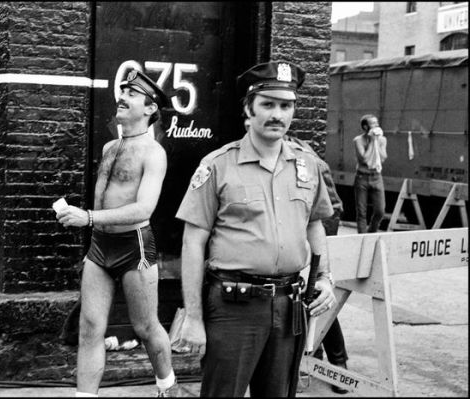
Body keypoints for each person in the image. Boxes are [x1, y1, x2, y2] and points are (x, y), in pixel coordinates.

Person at [175, 61, 337, 397]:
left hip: (289, 305)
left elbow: (316, 225)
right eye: (268, 104)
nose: (277, 114)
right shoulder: (218, 165)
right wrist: (193, 317)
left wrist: (324, 277)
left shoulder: (307, 166)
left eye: (286, 105)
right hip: (234, 308)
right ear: (248, 110)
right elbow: (193, 244)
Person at [56, 70, 177, 397]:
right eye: (123, 92)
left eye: (132, 95)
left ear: (150, 108)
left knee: (146, 327)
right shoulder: (111, 146)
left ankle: (168, 387)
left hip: (133, 246)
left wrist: (88, 217)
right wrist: (87, 219)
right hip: (99, 247)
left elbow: (143, 210)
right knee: (90, 328)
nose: (122, 98)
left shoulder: (154, 153)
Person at [286, 136, 350, 394]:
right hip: (288, 244)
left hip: (305, 244)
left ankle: (338, 364)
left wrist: (318, 257)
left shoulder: (303, 157)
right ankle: (323, 361)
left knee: (314, 300)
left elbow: (330, 209)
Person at [353, 114, 387, 233]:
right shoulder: (358, 140)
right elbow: (364, 159)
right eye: (373, 123)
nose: (376, 126)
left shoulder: (382, 140)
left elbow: (383, 157)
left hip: (377, 177)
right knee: (362, 212)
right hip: (362, 177)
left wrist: (376, 142)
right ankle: (362, 238)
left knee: (380, 211)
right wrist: (372, 142)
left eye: (377, 123)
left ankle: (371, 233)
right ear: (365, 127)